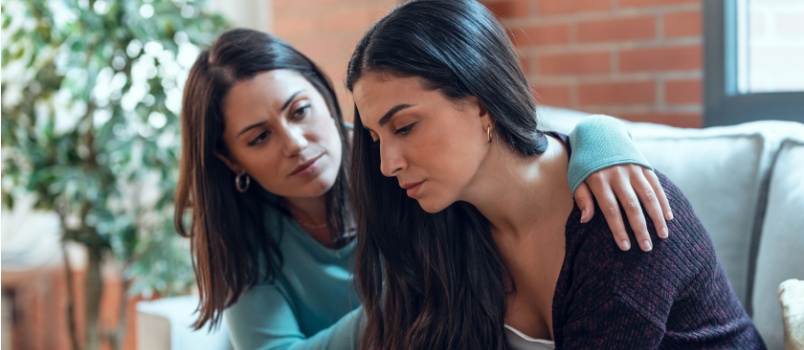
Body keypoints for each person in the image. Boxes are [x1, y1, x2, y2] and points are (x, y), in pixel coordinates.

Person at [175, 28, 672, 349]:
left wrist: (603, 139)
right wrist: (403, 303)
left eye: (300, 111)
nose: (296, 144)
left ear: (325, 97)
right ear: (230, 159)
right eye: (259, 138)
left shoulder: (401, 163)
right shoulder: (240, 234)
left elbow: (515, 139)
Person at [346, 0, 766, 349]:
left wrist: (600, 132)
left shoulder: (622, 216)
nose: (387, 164)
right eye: (376, 138)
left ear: (482, 105)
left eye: (405, 127)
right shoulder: (444, 225)